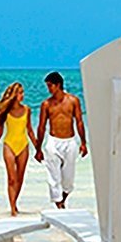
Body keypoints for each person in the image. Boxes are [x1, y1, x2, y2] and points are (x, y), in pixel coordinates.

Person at [35, 71, 87, 208]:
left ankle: (62, 199)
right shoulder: (46, 104)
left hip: (70, 142)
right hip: (53, 142)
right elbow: (41, 127)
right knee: (53, 177)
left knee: (68, 179)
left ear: (58, 85)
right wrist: (38, 149)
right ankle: (59, 205)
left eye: (50, 85)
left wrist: (83, 143)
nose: (48, 89)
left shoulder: (73, 101)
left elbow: (79, 122)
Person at [0, 82, 39, 216]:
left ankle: (15, 202)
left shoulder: (27, 110)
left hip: (23, 145)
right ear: (13, 95)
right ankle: (12, 209)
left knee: (20, 178)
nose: (22, 95)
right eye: (19, 93)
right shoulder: (6, 111)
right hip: (9, 145)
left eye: (22, 92)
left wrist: (38, 148)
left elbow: (30, 130)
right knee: (12, 179)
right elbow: (0, 131)